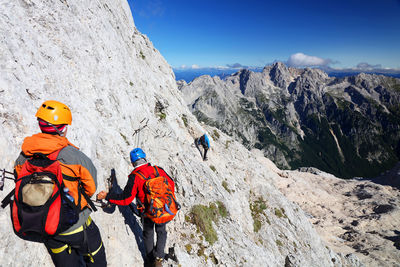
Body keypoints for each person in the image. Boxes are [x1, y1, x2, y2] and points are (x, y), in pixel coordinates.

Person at [14, 100, 106, 267]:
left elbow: (19, 181)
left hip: (46, 226)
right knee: (96, 257)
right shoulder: (73, 157)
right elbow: (90, 186)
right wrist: (76, 205)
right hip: (76, 225)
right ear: (62, 128)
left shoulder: (24, 155)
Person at [96, 148, 176, 267]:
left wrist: (108, 196)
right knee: (161, 231)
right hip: (163, 209)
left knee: (148, 233)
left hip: (148, 212)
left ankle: (150, 261)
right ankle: (158, 258)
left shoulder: (135, 177)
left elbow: (125, 199)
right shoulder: (158, 169)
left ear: (133, 163)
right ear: (144, 158)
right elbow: (171, 184)